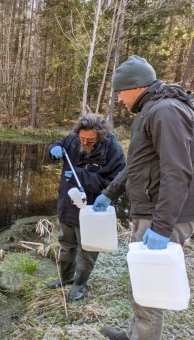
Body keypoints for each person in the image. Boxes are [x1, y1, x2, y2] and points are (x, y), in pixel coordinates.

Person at [93, 55, 194, 340]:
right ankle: (135, 334)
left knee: (150, 284)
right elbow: (138, 165)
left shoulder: (165, 112)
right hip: (151, 211)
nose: (119, 99)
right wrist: (109, 193)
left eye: (120, 92)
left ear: (135, 86)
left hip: (162, 215)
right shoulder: (151, 111)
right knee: (142, 278)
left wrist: (161, 227)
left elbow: (177, 171)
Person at [47, 114, 126, 301]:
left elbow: (116, 182)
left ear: (101, 136)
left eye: (90, 139)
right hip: (68, 205)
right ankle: (65, 278)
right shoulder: (72, 140)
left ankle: (79, 285)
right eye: (82, 138)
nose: (84, 141)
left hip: (93, 210)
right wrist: (53, 149)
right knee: (66, 245)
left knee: (88, 250)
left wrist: (81, 175)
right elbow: (55, 144)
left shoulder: (113, 150)